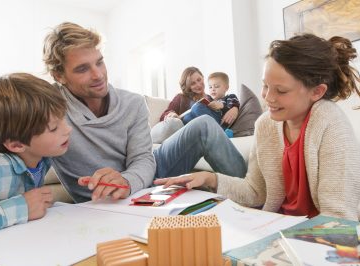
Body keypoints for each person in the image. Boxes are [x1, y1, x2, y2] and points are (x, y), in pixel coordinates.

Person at [155, 33, 360, 223]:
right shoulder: (266, 125)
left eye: (280, 90)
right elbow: (255, 191)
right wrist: (210, 179)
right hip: (274, 226)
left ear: (316, 92)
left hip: (323, 240)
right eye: (265, 85)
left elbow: (339, 220)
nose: (268, 97)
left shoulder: (331, 124)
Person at [43, 22, 247, 203]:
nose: (98, 75)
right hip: (103, 200)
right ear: (58, 75)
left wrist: (126, 181)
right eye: (82, 69)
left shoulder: (132, 103)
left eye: (99, 62)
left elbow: (142, 159)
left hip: (150, 170)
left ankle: (250, 197)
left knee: (205, 124)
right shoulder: (46, 107)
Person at [0, 73, 71, 238]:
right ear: (17, 145)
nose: (68, 129)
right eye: (54, 128)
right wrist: (20, 208)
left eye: (63, 119)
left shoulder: (41, 155)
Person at [151, 67, 240, 143]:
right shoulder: (181, 97)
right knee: (186, 118)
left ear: (202, 77)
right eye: (193, 83)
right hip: (196, 132)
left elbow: (228, 101)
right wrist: (172, 114)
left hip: (213, 122)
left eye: (199, 80)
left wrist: (235, 108)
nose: (198, 85)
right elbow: (165, 114)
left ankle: (219, 132)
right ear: (187, 86)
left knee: (197, 107)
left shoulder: (212, 97)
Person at [181, 72, 240, 137]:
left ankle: (220, 132)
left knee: (197, 107)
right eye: (210, 87)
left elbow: (234, 107)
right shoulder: (210, 99)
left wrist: (222, 106)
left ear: (226, 88)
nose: (213, 89)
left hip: (220, 121)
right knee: (187, 117)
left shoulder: (230, 97)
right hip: (209, 121)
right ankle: (203, 134)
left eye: (216, 86)